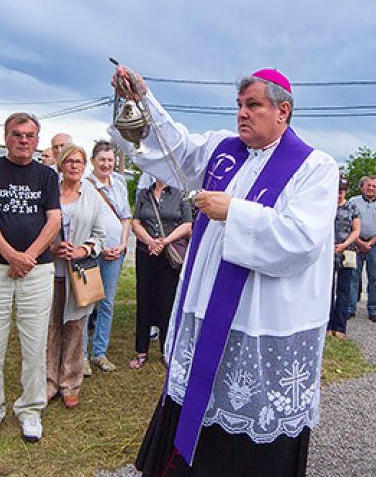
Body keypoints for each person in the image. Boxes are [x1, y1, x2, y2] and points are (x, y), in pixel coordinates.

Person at [110, 65, 337, 476]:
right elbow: (172, 147)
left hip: (261, 316)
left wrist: (233, 211)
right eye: (239, 105)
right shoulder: (223, 150)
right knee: (198, 400)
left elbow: (301, 239)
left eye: (254, 105)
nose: (242, 114)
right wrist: (141, 99)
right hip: (207, 304)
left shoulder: (314, 167)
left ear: (283, 111)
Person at [0, 112, 62, 451]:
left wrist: (28, 258)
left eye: (30, 135)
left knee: (35, 345)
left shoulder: (47, 176)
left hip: (36, 272)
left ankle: (30, 409)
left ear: (38, 140)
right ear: (5, 137)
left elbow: (53, 220)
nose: (24, 140)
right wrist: (11, 255)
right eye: (17, 134)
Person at [45, 143, 109, 408]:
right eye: (69, 161)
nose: (74, 166)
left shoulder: (92, 196)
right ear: (61, 164)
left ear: (85, 167)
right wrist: (51, 247)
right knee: (49, 328)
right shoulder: (48, 191)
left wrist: (83, 249)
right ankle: (48, 381)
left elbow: (102, 235)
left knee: (74, 327)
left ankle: (70, 383)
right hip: (49, 270)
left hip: (78, 274)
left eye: (79, 162)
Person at [129, 175, 192, 369]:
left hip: (170, 255)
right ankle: (141, 350)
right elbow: (136, 222)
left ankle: (167, 350)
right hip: (146, 252)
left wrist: (164, 241)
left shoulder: (181, 193)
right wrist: (150, 241)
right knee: (144, 299)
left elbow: (187, 224)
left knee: (168, 302)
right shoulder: (143, 194)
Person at [86, 141, 133, 374]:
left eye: (110, 160)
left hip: (116, 253)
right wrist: (100, 247)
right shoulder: (86, 186)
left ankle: (99, 352)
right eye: (102, 159)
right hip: (93, 253)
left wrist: (123, 244)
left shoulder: (119, 185)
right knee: (86, 303)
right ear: (93, 161)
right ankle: (81, 355)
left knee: (107, 303)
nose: (106, 164)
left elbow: (125, 218)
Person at [348, 176, 376, 323]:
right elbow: (347, 223)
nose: (371, 188)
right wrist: (359, 242)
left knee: (375, 279)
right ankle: (350, 309)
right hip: (356, 243)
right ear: (362, 187)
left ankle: (374, 311)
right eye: (368, 185)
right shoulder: (353, 202)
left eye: (374, 186)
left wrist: (371, 243)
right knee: (353, 278)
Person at [330, 178, 362, 337]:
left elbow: (356, 230)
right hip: (328, 251)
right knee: (328, 290)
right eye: (336, 191)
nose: (338, 194)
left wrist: (344, 244)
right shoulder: (326, 205)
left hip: (347, 252)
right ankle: (328, 325)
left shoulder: (353, 208)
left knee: (344, 290)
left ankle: (340, 326)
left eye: (341, 191)